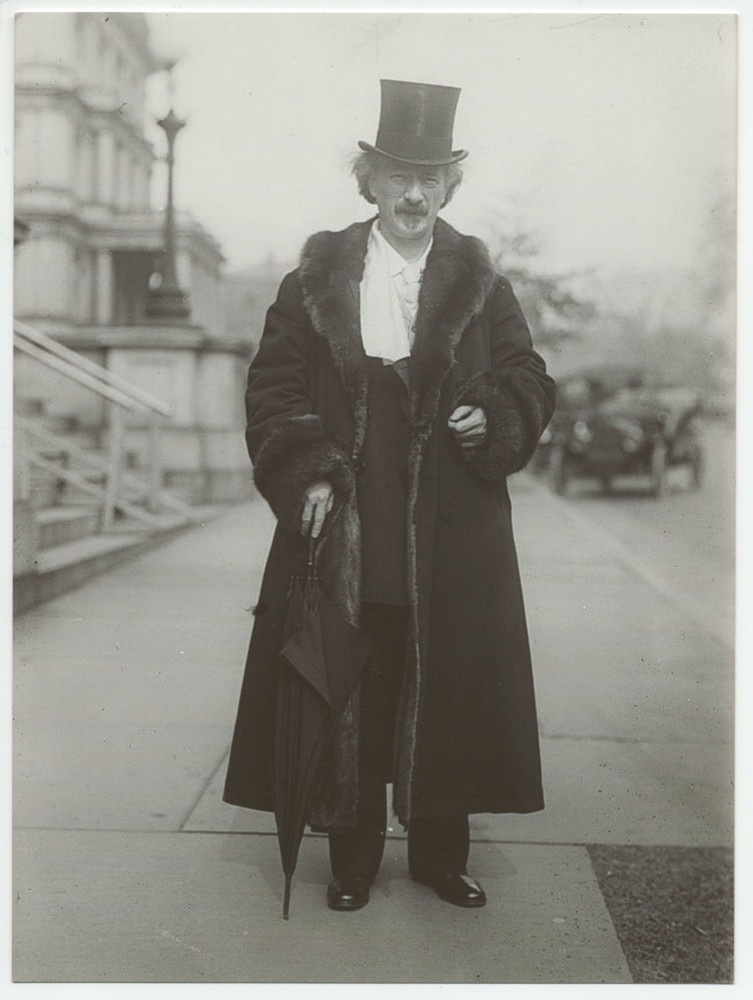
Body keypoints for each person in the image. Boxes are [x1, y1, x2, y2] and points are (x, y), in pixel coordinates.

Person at [223, 79, 556, 911]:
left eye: (432, 179)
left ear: (449, 186)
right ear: (367, 179)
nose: (415, 195)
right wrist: (302, 470)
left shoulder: (482, 282)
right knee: (349, 679)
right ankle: (352, 859)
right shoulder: (315, 278)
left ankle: (442, 857)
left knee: (443, 683)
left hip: (453, 526)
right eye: (400, 176)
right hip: (345, 520)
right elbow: (273, 391)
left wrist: (499, 413)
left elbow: (527, 375)